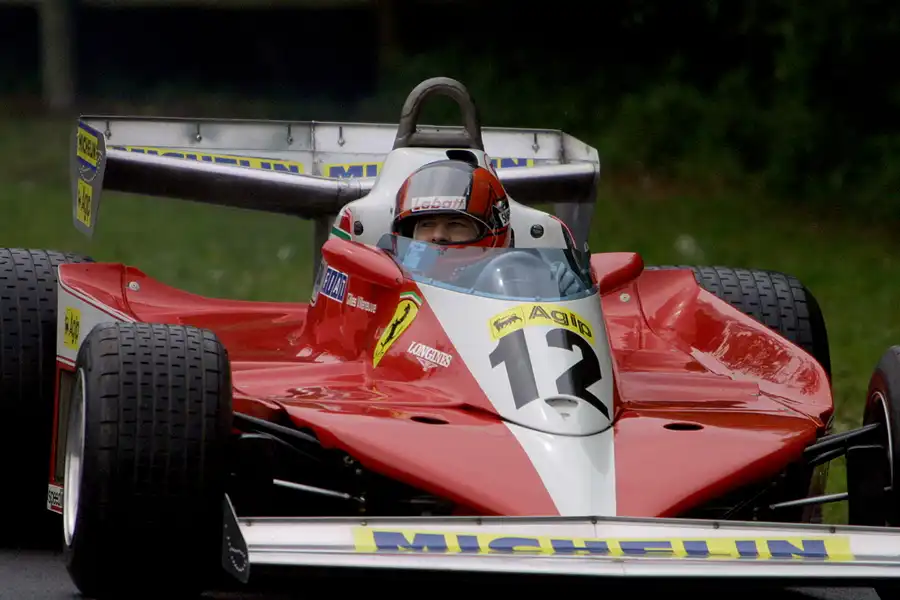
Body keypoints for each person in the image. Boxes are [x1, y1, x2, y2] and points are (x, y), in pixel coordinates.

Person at [390, 158, 584, 296]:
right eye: (426, 224)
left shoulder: (539, 282)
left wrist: (552, 291)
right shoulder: (388, 286)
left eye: (455, 224)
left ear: (492, 230)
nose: (439, 235)